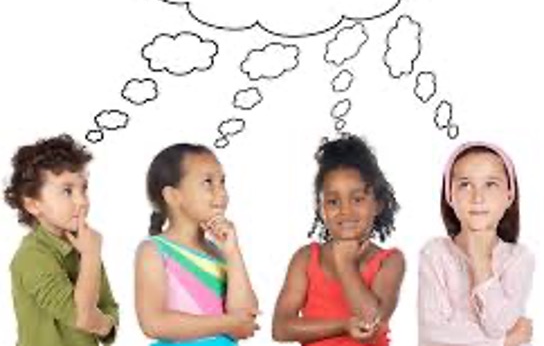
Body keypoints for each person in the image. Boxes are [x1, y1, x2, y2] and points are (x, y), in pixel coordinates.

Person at [273, 134, 405, 345]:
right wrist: (343, 325)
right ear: (321, 209)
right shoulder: (306, 258)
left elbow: (371, 324)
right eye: (333, 201)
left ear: (378, 204)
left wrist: (345, 263)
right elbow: (281, 329)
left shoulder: (389, 261)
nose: (345, 211)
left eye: (357, 199)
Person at [135, 143, 259, 345]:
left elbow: (245, 318)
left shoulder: (220, 253)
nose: (222, 193)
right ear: (173, 196)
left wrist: (233, 253)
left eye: (223, 182)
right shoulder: (154, 251)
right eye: (208, 182)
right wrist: (228, 323)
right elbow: (153, 323)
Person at [4, 134, 119, 346]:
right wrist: (91, 256)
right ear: (33, 205)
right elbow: (84, 318)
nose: (82, 201)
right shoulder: (32, 256)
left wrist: (102, 323)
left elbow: (109, 310)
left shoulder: (83, 245)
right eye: (67, 191)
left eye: (83, 189)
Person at [418, 141, 534, 346]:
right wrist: (504, 342)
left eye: (490, 184)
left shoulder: (519, 258)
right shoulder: (434, 253)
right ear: (450, 196)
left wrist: (480, 260)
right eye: (465, 184)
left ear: (509, 195)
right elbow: (432, 335)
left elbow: (498, 324)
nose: (477, 198)